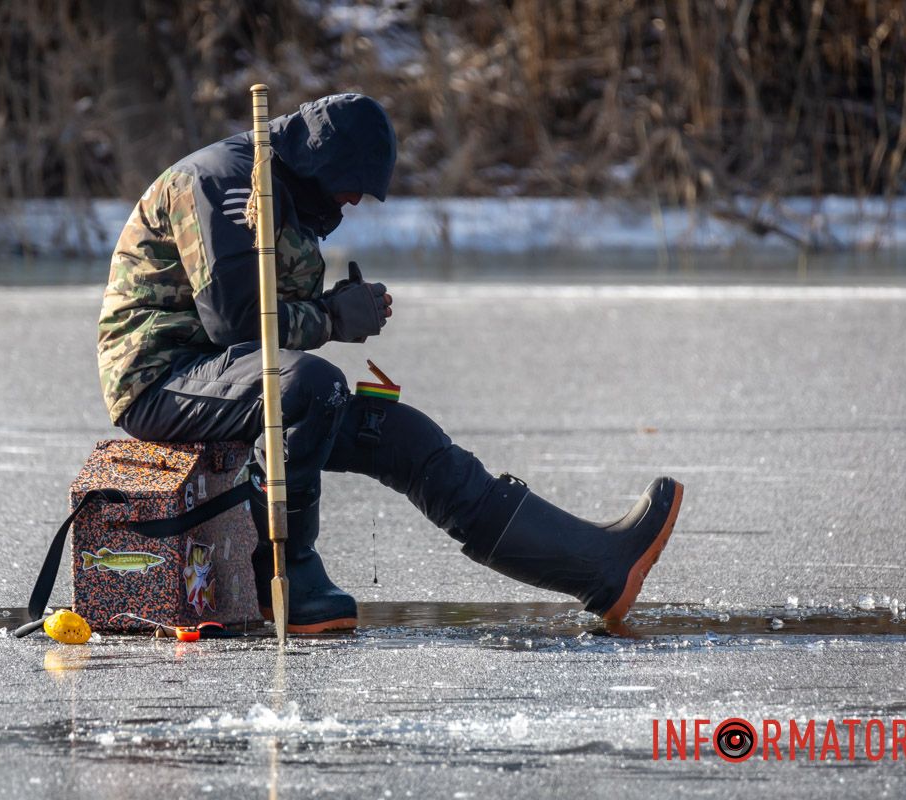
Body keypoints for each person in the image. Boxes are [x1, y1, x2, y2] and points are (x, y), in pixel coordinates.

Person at [97, 93, 683, 633]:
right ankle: (289, 578)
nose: (353, 203)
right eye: (352, 187)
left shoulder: (290, 191)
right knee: (313, 384)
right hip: (159, 378)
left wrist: (339, 308)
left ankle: (596, 569)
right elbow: (236, 322)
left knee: (401, 435)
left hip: (233, 377)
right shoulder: (222, 182)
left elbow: (265, 327)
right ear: (323, 165)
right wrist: (331, 318)